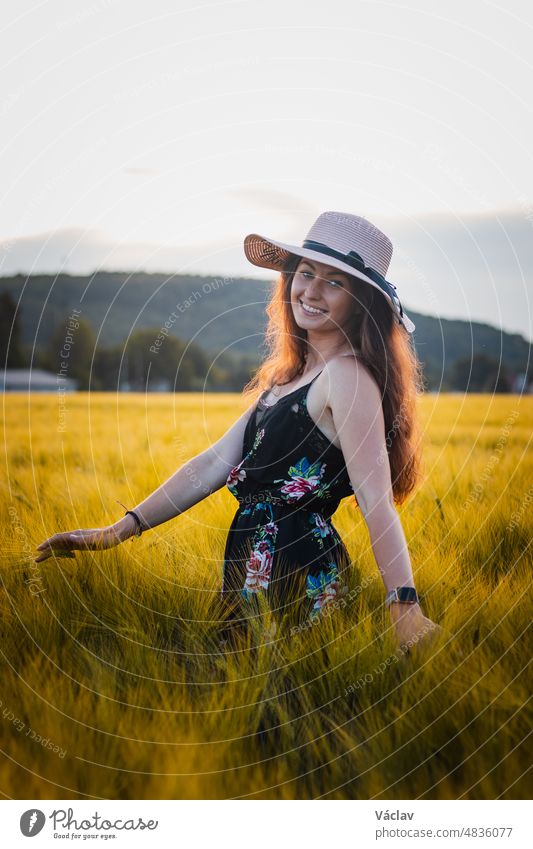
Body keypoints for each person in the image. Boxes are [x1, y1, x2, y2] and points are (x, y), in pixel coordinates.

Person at [35, 211, 441, 653]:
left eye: (335, 282)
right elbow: (211, 465)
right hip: (249, 573)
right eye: (305, 273)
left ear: (360, 302)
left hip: (301, 576)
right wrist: (118, 530)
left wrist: (404, 607)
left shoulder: (347, 377)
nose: (312, 291)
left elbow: (375, 501)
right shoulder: (288, 379)